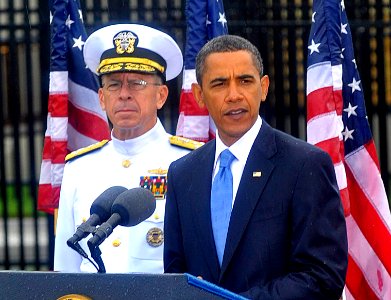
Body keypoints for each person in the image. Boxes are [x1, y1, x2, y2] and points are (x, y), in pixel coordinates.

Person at [164, 35, 348, 299]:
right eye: (219, 84)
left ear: (263, 87)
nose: (234, 95)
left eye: (245, 81)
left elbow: (322, 275)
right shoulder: (183, 173)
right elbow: (175, 274)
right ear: (199, 95)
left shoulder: (304, 165)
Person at [54, 23, 202, 273]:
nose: (124, 94)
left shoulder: (192, 162)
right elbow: (65, 269)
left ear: (161, 95)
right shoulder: (78, 168)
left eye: (137, 83)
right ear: (101, 98)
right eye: (113, 84)